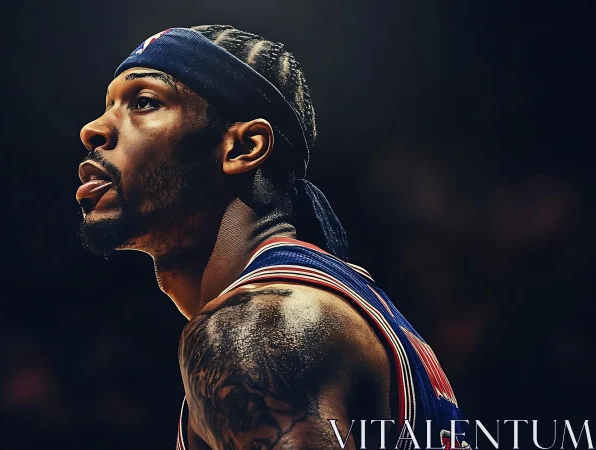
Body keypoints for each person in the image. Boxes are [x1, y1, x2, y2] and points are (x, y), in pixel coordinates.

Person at [76, 25, 466, 450]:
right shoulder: (316, 301)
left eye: (144, 102)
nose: (93, 129)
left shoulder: (257, 327)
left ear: (243, 149)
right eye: (108, 105)